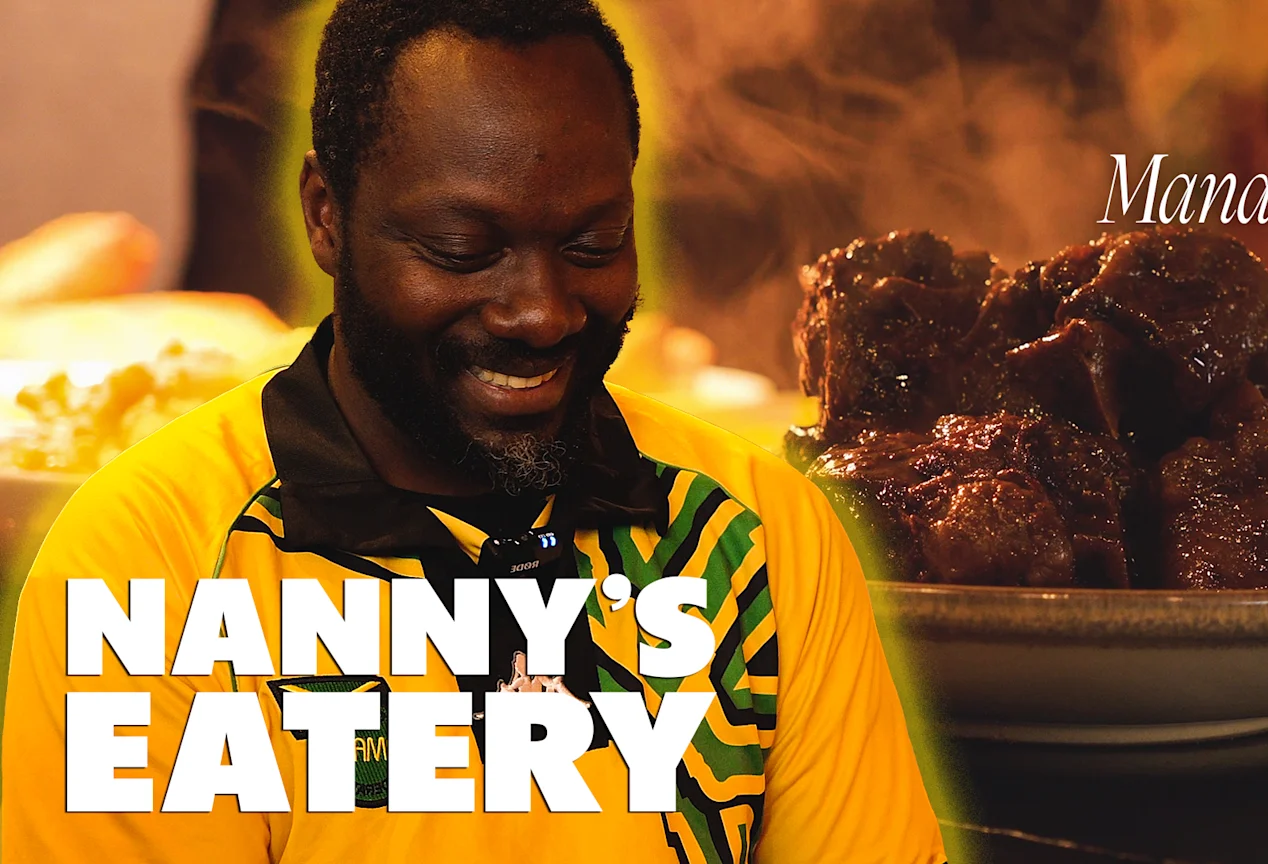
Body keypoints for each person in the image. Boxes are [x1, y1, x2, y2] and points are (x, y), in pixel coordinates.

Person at [0, 2, 947, 862]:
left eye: (591, 245)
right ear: (326, 218)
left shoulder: (758, 539)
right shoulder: (151, 565)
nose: (540, 312)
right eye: (463, 251)